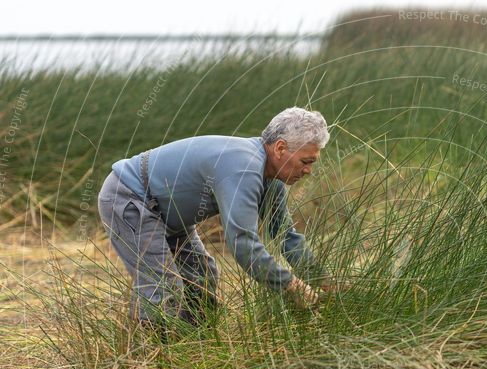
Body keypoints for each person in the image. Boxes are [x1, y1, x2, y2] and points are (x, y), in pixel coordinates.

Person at [97, 106, 342, 332]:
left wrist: (324, 282)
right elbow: (243, 245)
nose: (309, 170)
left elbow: (286, 236)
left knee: (203, 276)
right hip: (131, 198)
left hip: (170, 214)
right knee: (163, 288)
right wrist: (291, 285)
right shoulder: (243, 167)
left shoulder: (271, 179)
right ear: (280, 148)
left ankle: (192, 347)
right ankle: (148, 366)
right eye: (306, 161)